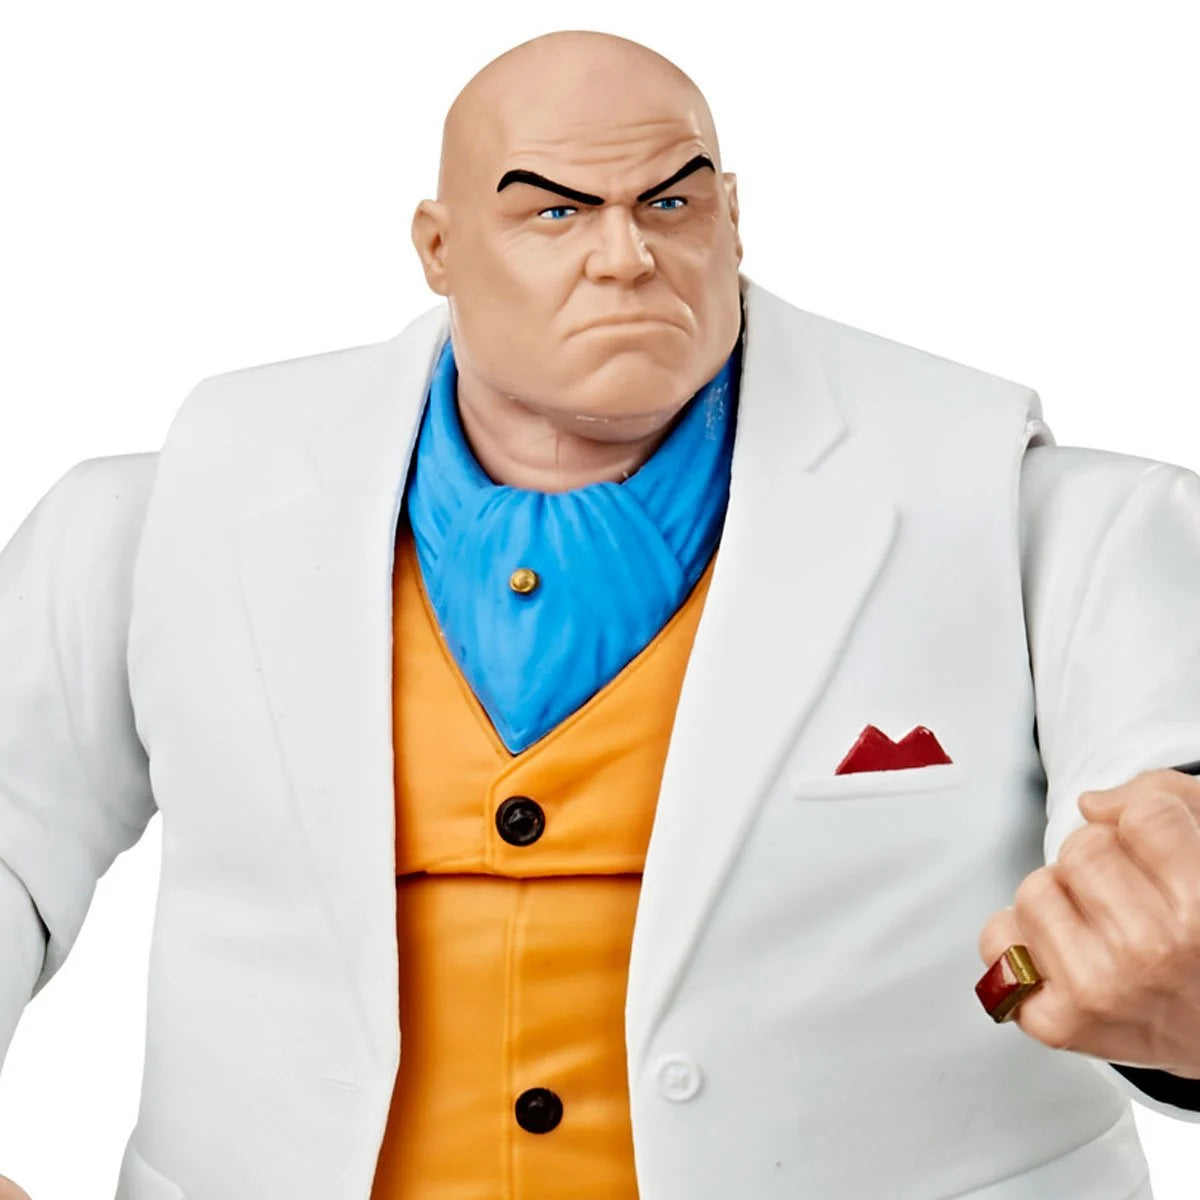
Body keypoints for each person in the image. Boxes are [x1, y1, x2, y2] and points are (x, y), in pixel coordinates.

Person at [2, 27, 1200, 1200]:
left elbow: (1167, 821)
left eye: (671, 204)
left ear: (734, 218)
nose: (625, 257)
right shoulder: (166, 520)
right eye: (555, 212)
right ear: (439, 247)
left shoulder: (1038, 523)